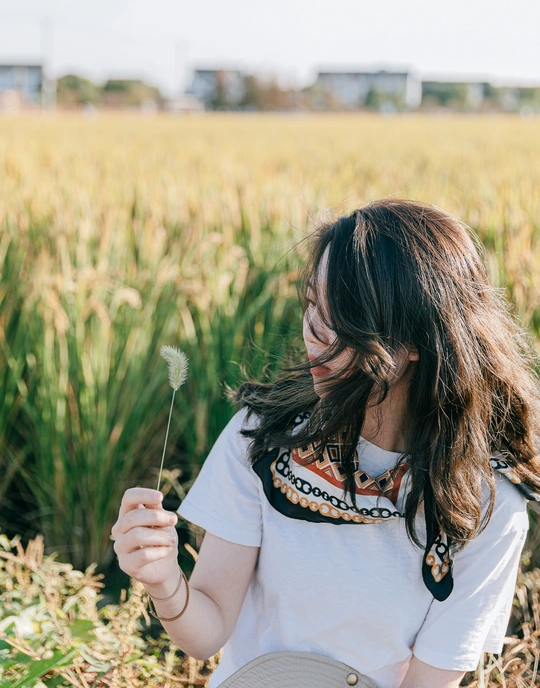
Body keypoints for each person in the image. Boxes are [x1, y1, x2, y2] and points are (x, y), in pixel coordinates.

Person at [111, 199, 540, 688]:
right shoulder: (265, 438)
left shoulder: (486, 506)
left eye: (342, 320)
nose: (313, 336)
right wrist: (164, 579)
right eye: (312, 306)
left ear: (417, 340)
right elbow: (205, 635)